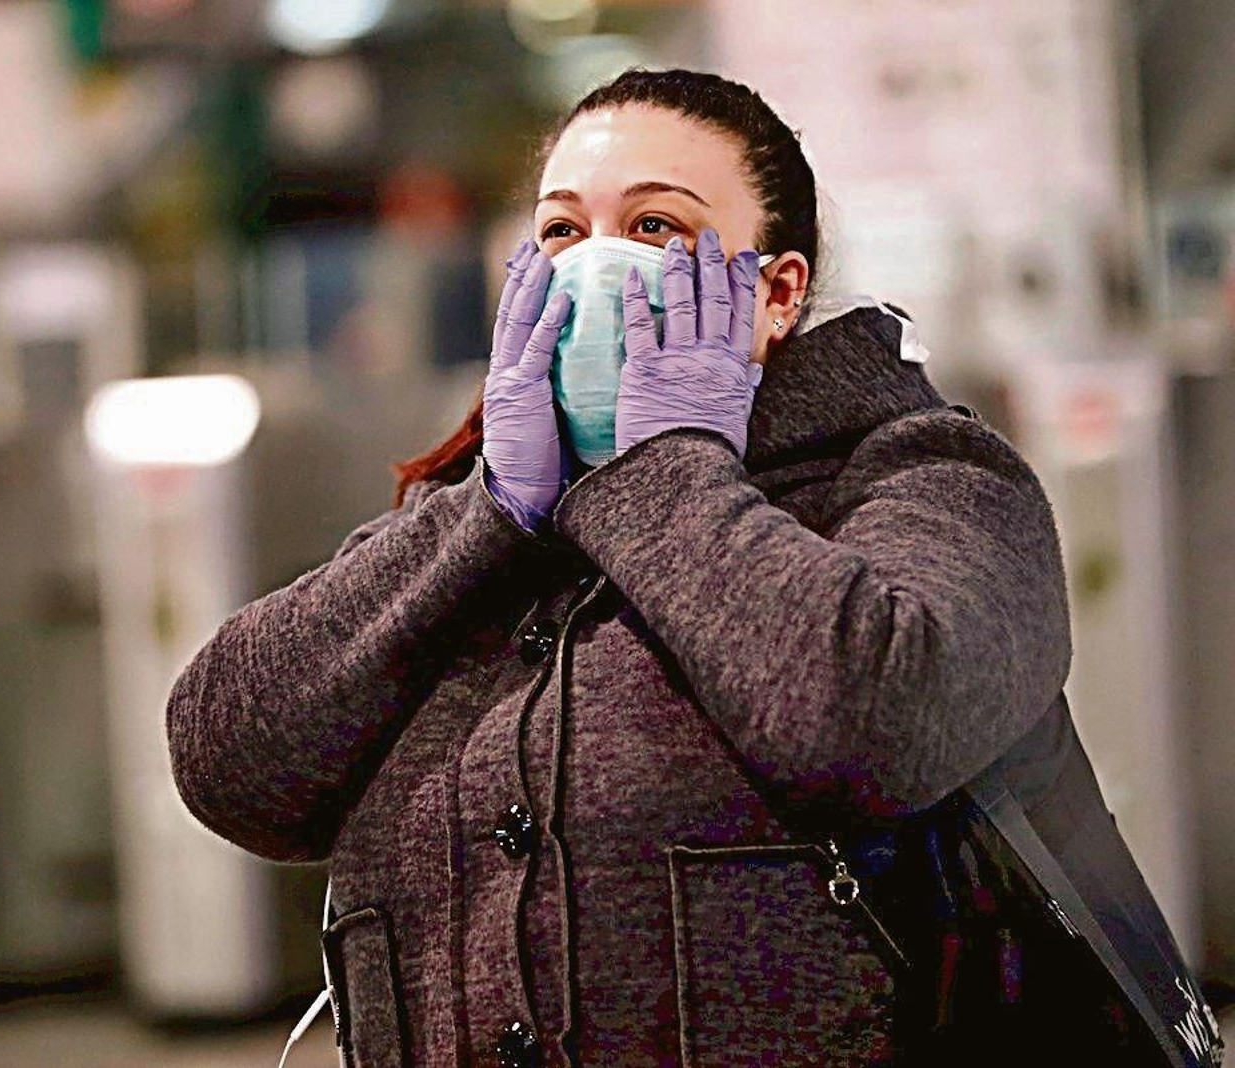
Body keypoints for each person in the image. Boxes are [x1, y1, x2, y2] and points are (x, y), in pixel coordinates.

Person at [165, 68, 1170, 1066]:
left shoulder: (928, 479)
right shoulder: (473, 525)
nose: (596, 263)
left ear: (776, 292)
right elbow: (229, 760)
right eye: (562, 232)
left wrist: (659, 472)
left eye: (654, 228)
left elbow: (876, 721)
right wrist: (486, 512)